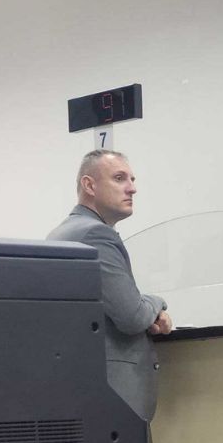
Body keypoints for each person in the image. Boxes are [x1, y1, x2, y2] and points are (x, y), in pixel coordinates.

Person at [47, 149, 172, 424]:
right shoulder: (95, 235)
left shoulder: (60, 233)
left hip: (81, 391)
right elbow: (132, 316)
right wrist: (157, 303)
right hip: (114, 398)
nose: (132, 188)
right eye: (119, 178)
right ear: (89, 185)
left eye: (132, 179)